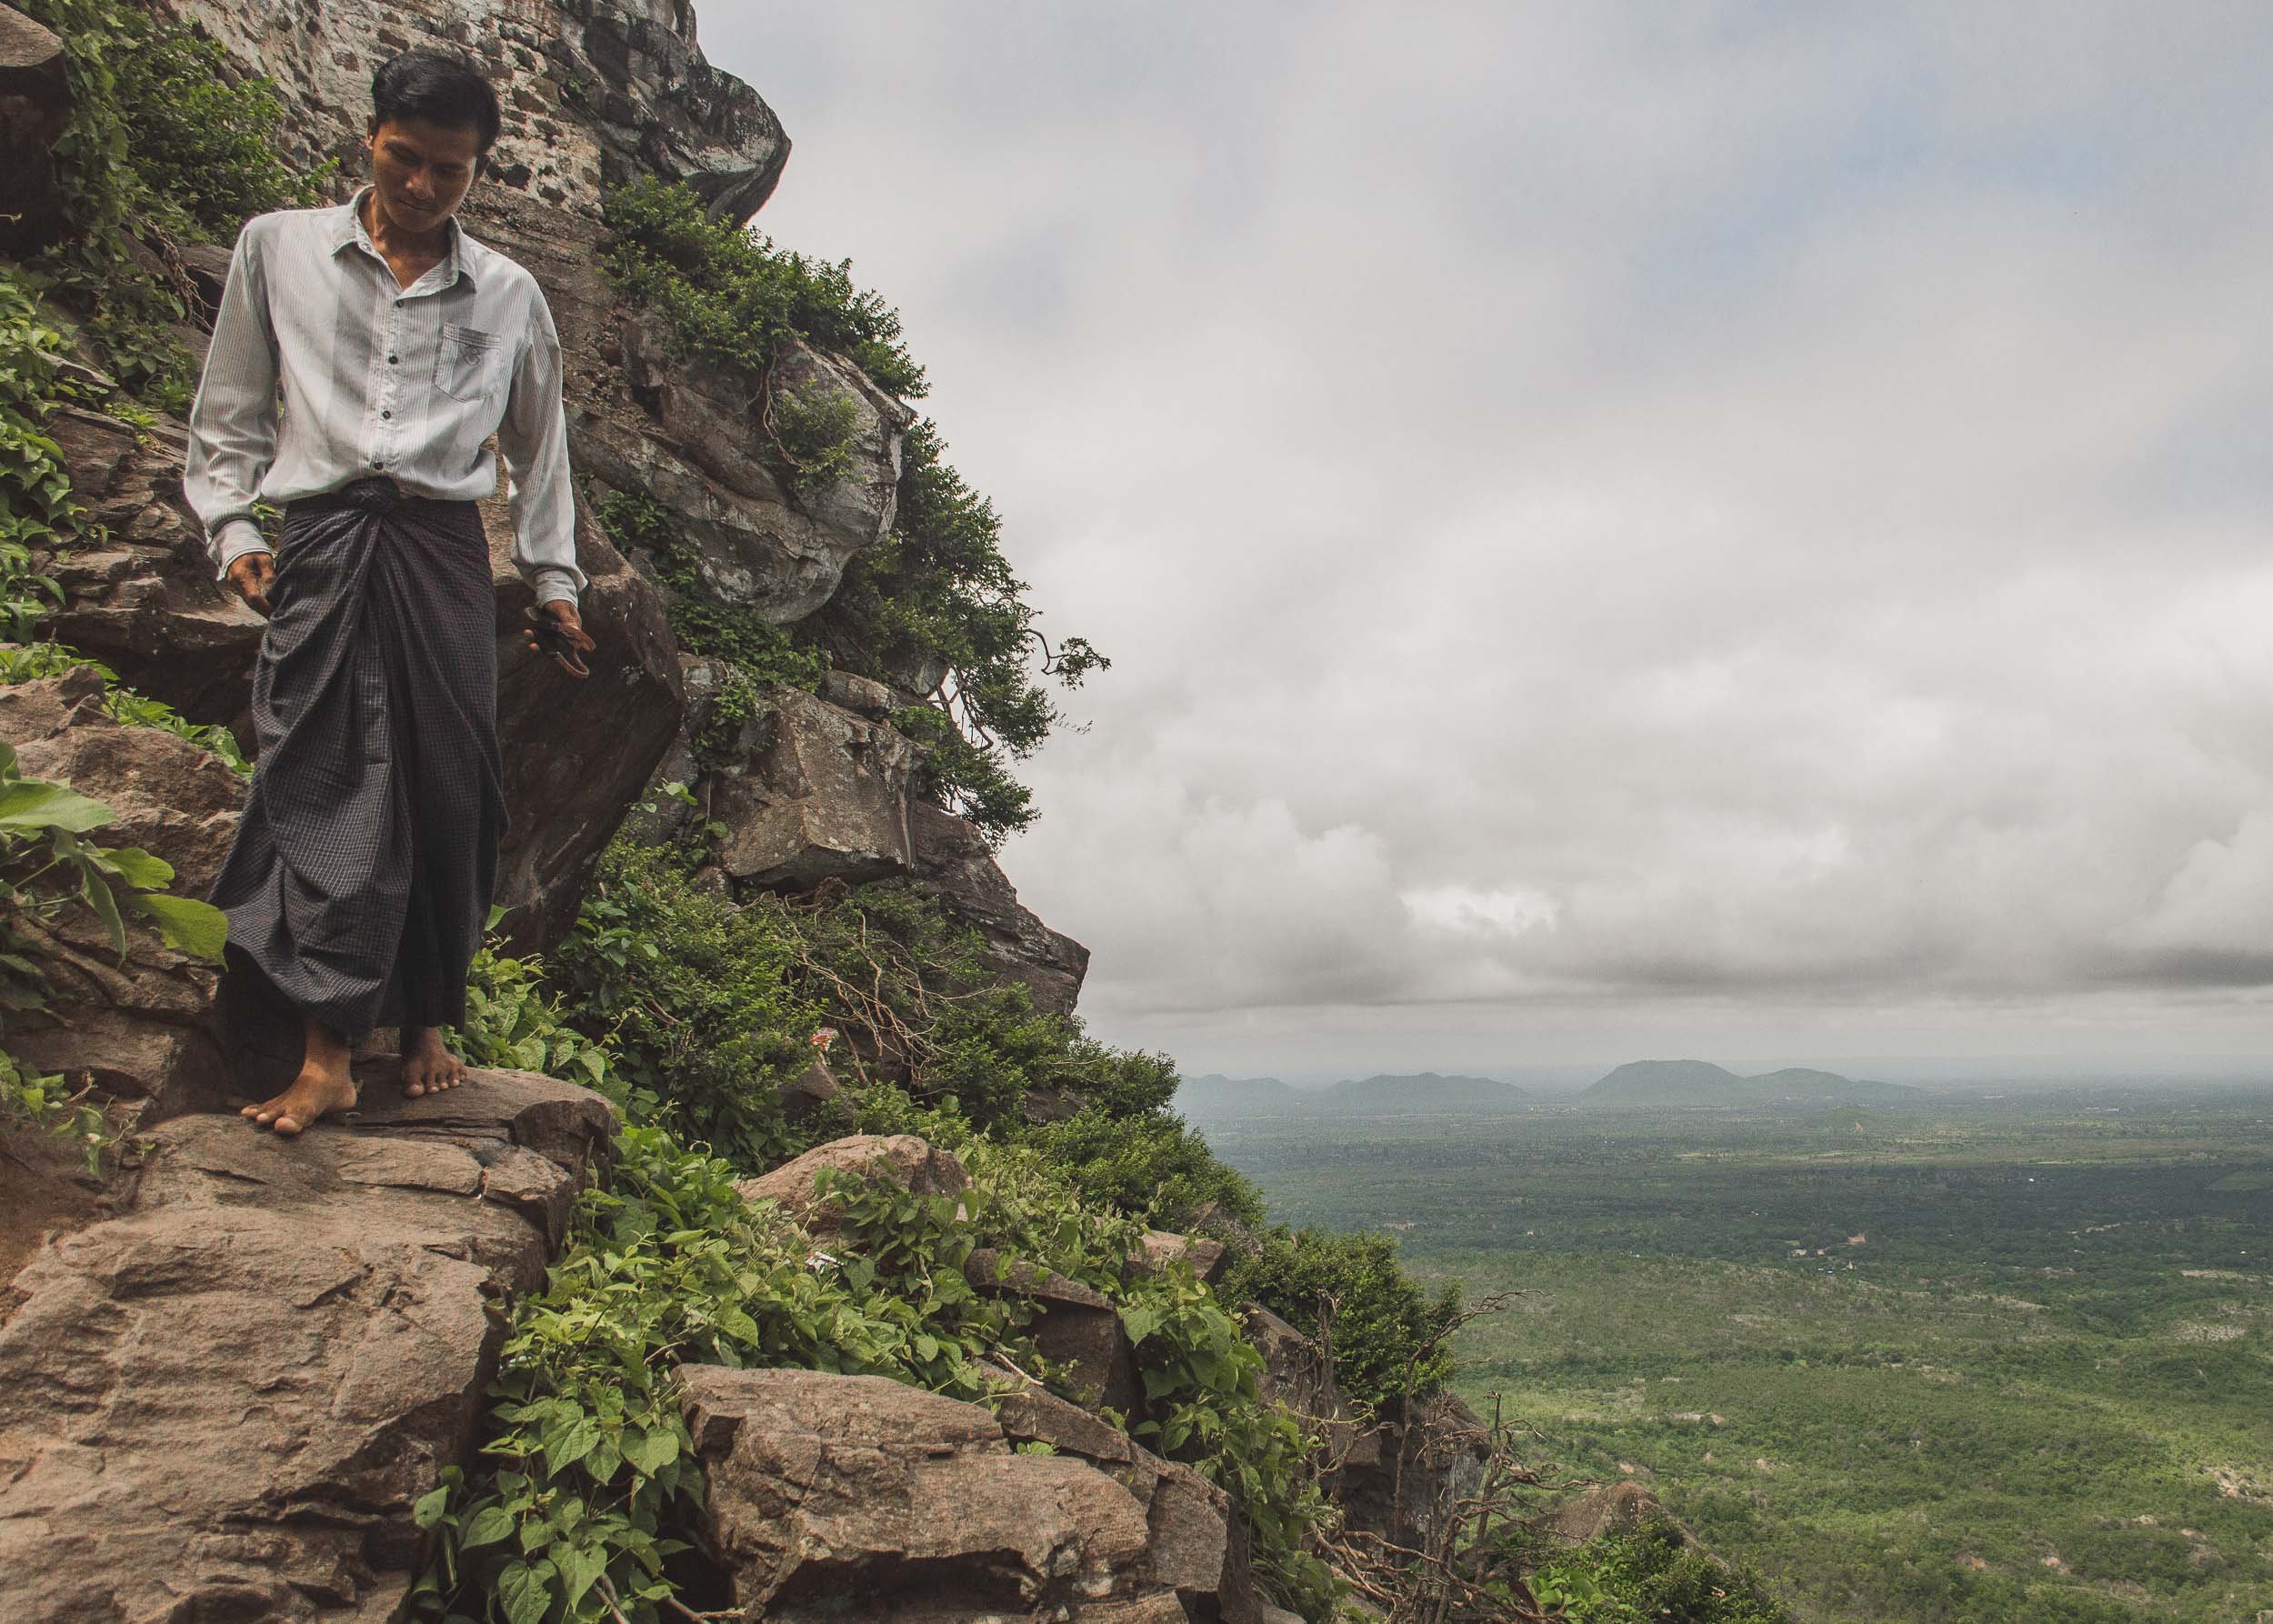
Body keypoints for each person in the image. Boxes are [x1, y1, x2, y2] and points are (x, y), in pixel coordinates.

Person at [184, 48, 598, 1137]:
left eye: (448, 173)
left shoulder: (509, 294)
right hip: (323, 537)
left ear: (479, 173)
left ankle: (425, 1021)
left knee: (447, 786)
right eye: (404, 159)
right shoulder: (277, 249)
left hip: (444, 553)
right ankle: (329, 1050)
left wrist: (554, 581)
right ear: (369, 134)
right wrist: (232, 528)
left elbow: (541, 452)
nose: (421, 188)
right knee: (325, 778)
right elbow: (227, 413)